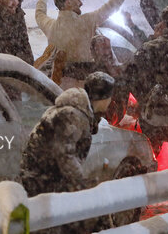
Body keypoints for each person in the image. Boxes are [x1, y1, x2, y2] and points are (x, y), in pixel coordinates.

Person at [122, 5, 168, 217]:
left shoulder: (150, 48)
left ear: (163, 24)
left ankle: (142, 199)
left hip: (153, 116)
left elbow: (132, 76)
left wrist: (145, 100)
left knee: (148, 155)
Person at [19, 72, 114, 233]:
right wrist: (81, 184)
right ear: (104, 98)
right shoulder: (73, 115)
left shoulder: (78, 112)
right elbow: (65, 155)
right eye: (110, 97)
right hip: (44, 180)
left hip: (45, 178)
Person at [35, 0, 145, 89]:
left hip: (58, 88)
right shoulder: (86, 22)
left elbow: (39, 14)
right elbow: (113, 5)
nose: (81, 3)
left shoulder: (51, 27)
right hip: (85, 87)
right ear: (68, 2)